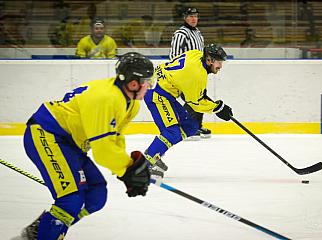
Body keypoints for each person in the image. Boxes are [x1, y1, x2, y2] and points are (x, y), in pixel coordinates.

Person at [17, 52, 153, 240]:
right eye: (147, 81)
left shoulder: (130, 103)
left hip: (69, 144)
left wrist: (127, 169)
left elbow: (115, 139)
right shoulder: (107, 99)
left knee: (96, 194)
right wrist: (128, 169)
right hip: (47, 134)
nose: (149, 86)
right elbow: (103, 151)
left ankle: (42, 231)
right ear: (133, 83)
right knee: (70, 199)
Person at [144, 44, 233, 178]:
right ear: (209, 60)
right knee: (172, 132)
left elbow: (185, 82)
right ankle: (145, 164)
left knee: (191, 126)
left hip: (162, 87)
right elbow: (195, 103)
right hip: (157, 94)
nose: (220, 66)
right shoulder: (197, 75)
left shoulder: (196, 54)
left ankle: (156, 151)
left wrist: (198, 92)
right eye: (218, 62)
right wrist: (218, 108)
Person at [169, 7, 211, 140]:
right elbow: (174, 56)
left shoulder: (198, 33)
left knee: (200, 97)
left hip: (197, 73)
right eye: (191, 16)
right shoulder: (181, 34)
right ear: (185, 18)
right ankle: (185, 127)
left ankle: (196, 125)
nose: (194, 19)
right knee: (191, 100)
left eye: (196, 16)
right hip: (185, 75)